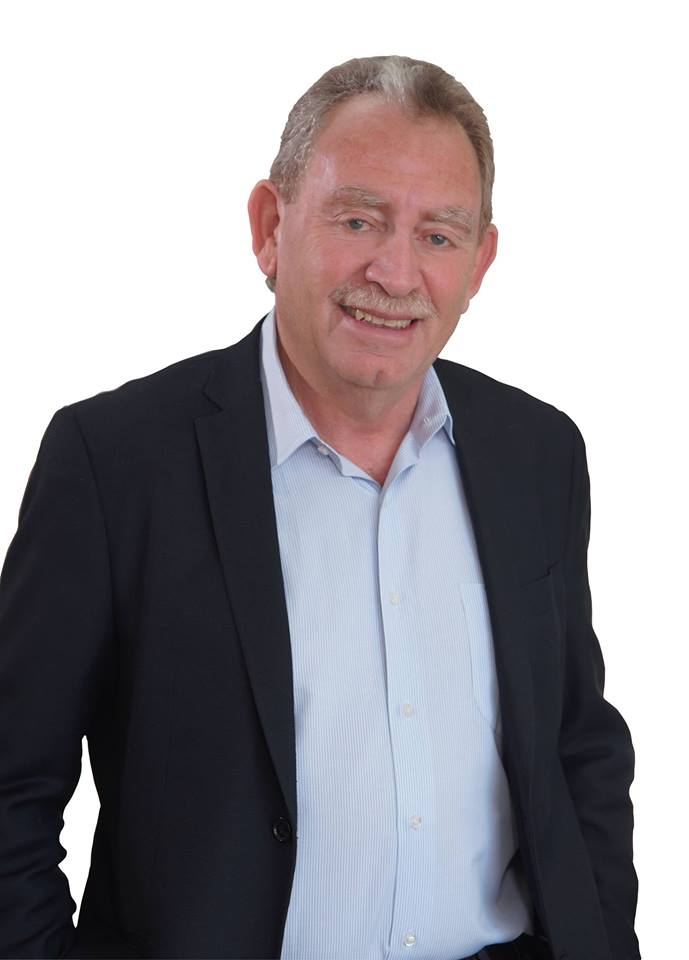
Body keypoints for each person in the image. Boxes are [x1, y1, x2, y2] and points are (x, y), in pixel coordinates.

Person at [0, 54, 639, 960]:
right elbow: (11, 788)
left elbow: (577, 746)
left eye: (438, 235)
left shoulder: (537, 454)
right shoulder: (114, 463)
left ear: (479, 263)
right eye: (357, 219)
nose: (395, 271)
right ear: (270, 227)